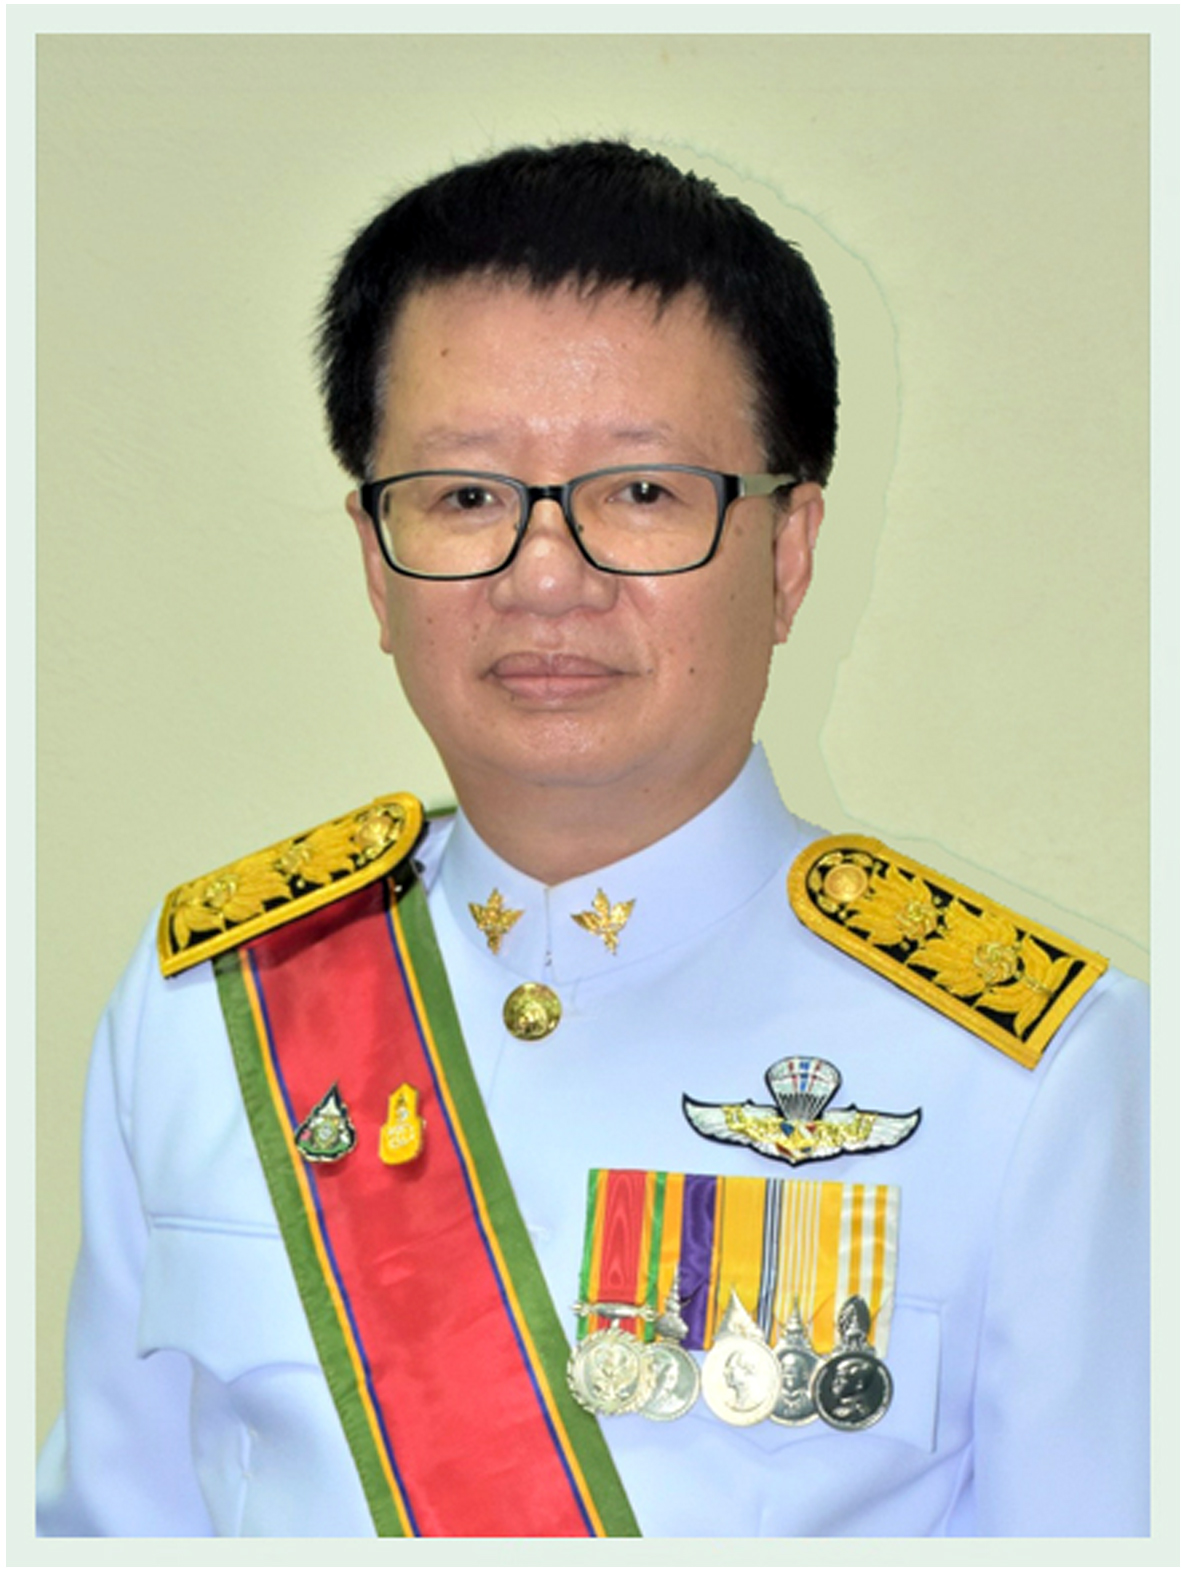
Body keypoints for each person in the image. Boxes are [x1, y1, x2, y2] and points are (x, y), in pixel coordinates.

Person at [36, 139, 1148, 1539]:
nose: (546, 576)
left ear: (787, 551)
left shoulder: (1032, 1071)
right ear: (374, 561)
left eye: (640, 492)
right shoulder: (210, 1009)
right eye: (465, 497)